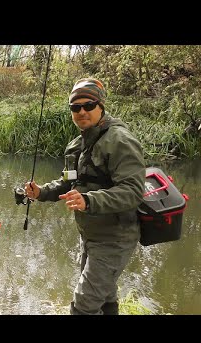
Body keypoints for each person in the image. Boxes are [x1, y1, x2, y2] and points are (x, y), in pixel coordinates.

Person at [25, 78, 146, 315]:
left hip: (115, 237)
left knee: (84, 305)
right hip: (90, 235)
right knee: (105, 296)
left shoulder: (120, 140)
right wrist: (41, 192)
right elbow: (68, 183)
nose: (82, 111)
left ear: (101, 106)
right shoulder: (76, 146)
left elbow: (133, 191)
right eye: (75, 107)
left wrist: (89, 200)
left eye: (88, 105)